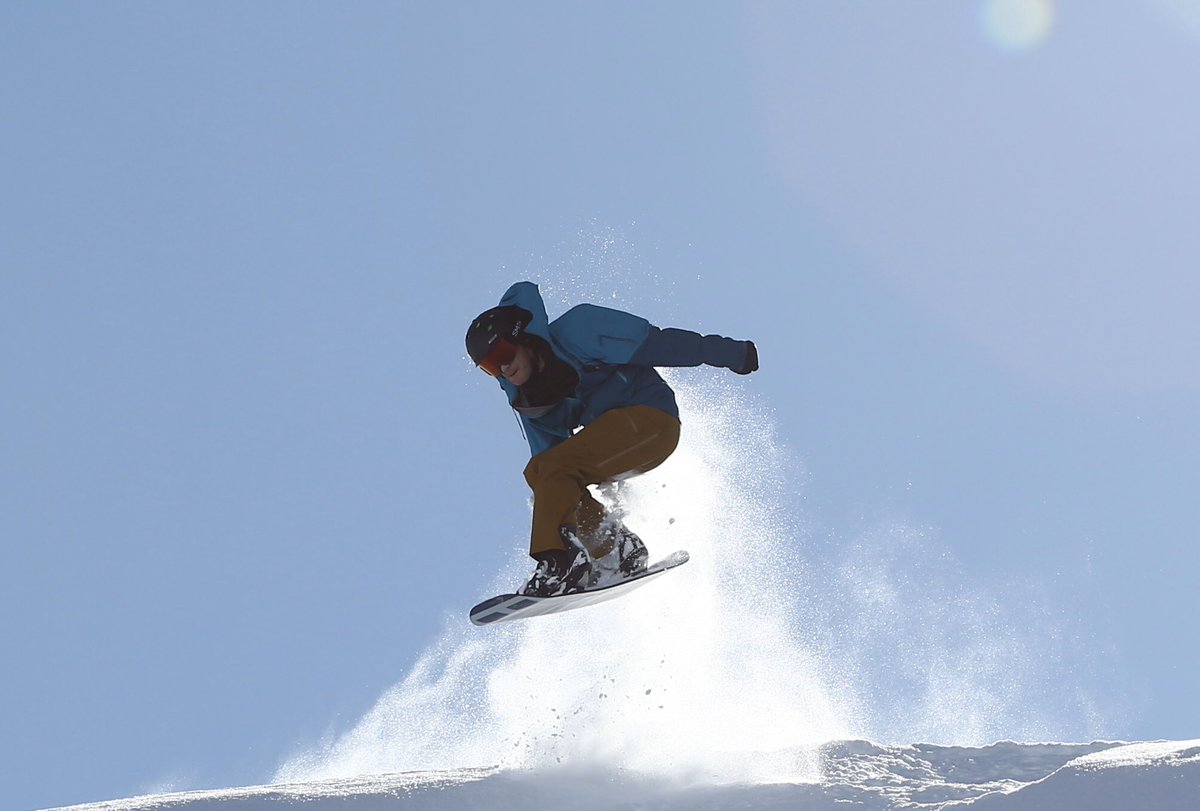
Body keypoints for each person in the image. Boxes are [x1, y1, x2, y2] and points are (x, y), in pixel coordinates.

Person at [465, 281, 758, 597]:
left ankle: (559, 564)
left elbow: (658, 344)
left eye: (504, 353)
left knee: (551, 470)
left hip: (651, 420)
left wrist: (732, 353)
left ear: (522, 337)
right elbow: (549, 472)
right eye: (491, 366)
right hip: (615, 440)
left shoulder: (579, 329)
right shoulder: (531, 402)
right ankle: (617, 548)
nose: (504, 368)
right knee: (541, 475)